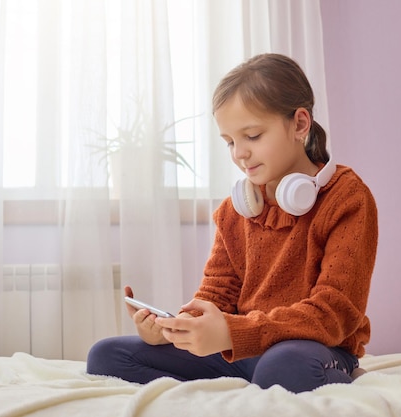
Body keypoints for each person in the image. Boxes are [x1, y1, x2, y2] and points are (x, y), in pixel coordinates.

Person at [87, 53, 378, 393]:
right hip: (240, 351)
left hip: (314, 348)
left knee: (284, 366)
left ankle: (262, 382)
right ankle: (245, 388)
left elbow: (334, 314)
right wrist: (177, 328)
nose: (240, 153)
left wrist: (232, 333)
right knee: (106, 356)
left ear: (300, 124)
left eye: (252, 136)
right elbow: (216, 297)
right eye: (229, 142)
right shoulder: (235, 210)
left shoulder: (347, 198)